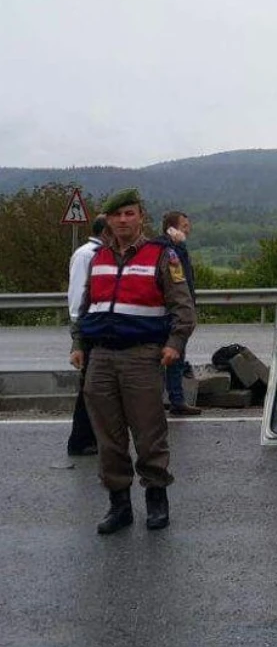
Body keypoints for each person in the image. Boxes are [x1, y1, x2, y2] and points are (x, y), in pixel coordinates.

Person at [69, 188, 196, 534]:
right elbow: (85, 307)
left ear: (141, 217)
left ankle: (156, 498)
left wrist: (175, 343)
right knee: (107, 436)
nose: (123, 220)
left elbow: (183, 307)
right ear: (108, 220)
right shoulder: (99, 258)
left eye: (129, 214)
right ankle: (119, 504)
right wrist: (78, 343)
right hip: (100, 356)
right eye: (116, 215)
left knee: (148, 432)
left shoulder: (162, 255)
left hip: (142, 355)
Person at [65, 215, 106, 456]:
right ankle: (80, 440)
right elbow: (78, 294)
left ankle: (92, 436)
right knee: (88, 387)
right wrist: (77, 334)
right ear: (104, 232)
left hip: (98, 326)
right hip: (88, 326)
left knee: (97, 387)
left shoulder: (103, 253)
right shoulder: (86, 254)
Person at [155, 211, 201, 416]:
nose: (187, 229)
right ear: (171, 228)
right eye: (183, 226)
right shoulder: (168, 250)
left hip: (176, 309)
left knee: (176, 356)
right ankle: (174, 399)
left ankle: (175, 398)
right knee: (172, 355)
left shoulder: (176, 248)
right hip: (168, 312)